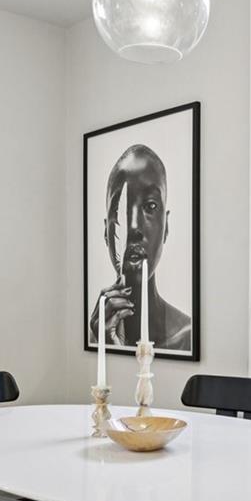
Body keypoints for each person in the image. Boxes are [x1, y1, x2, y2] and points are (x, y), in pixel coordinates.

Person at [89, 144, 192, 351]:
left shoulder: (187, 337)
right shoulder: (94, 336)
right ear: (106, 232)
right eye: (119, 208)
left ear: (166, 226)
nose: (134, 227)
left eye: (150, 206)